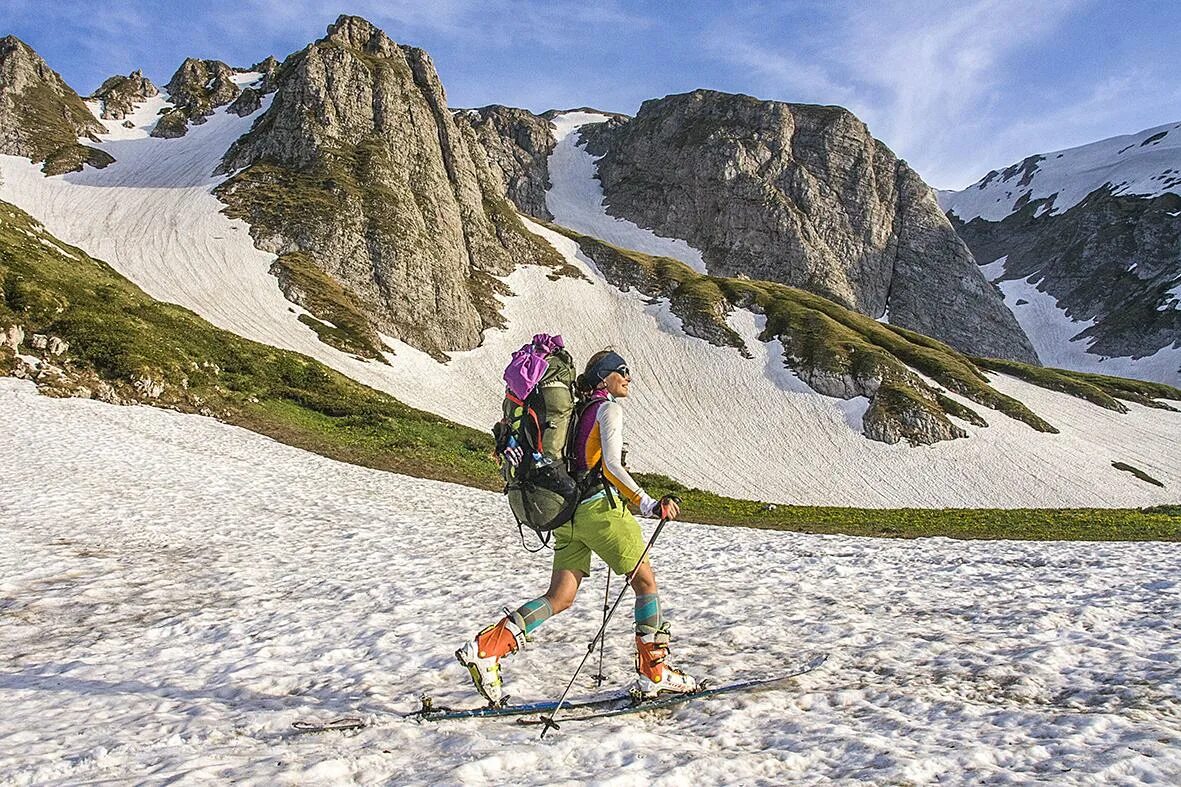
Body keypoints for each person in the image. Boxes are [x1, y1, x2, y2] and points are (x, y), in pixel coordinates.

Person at [456, 349, 697, 703]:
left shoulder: (573, 412)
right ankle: (655, 674)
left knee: (560, 596)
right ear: (604, 378)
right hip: (600, 511)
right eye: (622, 371)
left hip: (568, 516)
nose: (629, 378)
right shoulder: (607, 409)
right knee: (645, 583)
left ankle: (487, 648)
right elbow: (612, 467)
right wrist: (647, 503)